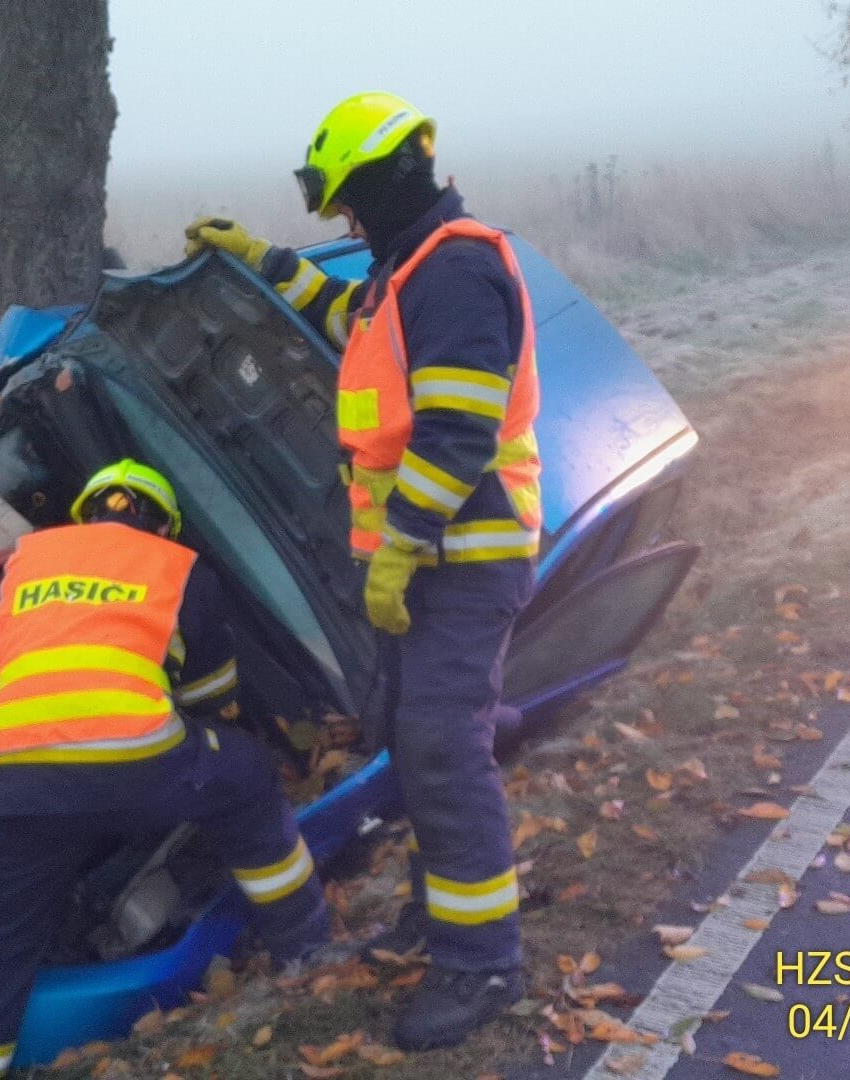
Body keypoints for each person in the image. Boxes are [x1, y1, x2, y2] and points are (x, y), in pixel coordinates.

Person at [185, 91, 541, 1050]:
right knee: (416, 739)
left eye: (346, 200)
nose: (343, 221)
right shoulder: (407, 268)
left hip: (463, 557)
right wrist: (260, 260)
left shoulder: (459, 269)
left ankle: (484, 964)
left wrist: (403, 548)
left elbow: (458, 432)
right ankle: (446, 911)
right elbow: (353, 320)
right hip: (430, 561)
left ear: (385, 178)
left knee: (440, 745)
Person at [0, 459, 331, 1080]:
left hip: (14, 772)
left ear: (85, 512)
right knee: (243, 770)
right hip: (137, 760)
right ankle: (306, 945)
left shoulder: (27, 562)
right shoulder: (174, 565)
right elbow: (210, 693)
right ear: (163, 525)